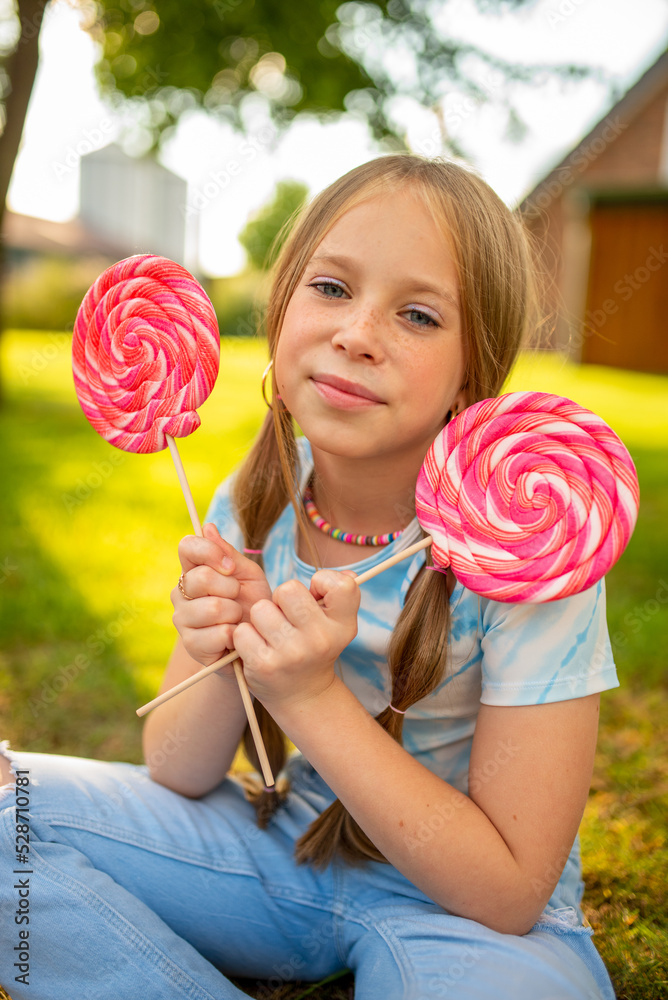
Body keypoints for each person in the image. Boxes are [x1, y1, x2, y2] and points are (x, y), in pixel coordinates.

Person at [0, 154, 620, 1000]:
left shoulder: (529, 545)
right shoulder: (255, 503)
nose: (357, 334)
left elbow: (509, 893)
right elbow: (179, 771)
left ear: (472, 372)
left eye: (417, 314)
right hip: (286, 850)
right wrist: (221, 645)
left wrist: (306, 694)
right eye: (331, 288)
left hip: (467, 913)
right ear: (281, 306)